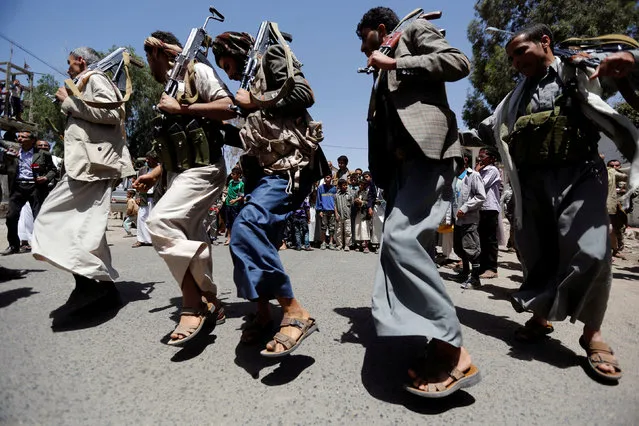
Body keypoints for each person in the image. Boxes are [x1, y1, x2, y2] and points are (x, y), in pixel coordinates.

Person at [475, 24, 639, 382]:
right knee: (538, 253)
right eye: (511, 58)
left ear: (544, 42)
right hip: (532, 182)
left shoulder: (578, 70)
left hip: (579, 174)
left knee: (592, 251)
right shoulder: (515, 95)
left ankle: (592, 333)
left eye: (521, 52)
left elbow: (625, 69)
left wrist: (630, 60)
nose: (516, 62)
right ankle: (540, 318)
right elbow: (489, 127)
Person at [357, 6, 479, 398]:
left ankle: (453, 351)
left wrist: (395, 61)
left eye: (363, 39)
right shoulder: (382, 63)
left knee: (400, 241)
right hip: (401, 170)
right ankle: (429, 334)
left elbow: (458, 62)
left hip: (429, 156)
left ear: (380, 29)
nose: (362, 49)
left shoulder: (412, 31)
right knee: (408, 250)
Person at [213, 27, 328, 356]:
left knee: (246, 229)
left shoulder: (272, 58)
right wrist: (218, 127)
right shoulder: (247, 86)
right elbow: (256, 133)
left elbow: (305, 94)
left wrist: (255, 100)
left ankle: (295, 312)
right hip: (265, 173)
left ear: (236, 53)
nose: (228, 73)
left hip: (291, 166)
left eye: (227, 64)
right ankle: (263, 313)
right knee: (250, 238)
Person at [137, 30, 235, 346]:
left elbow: (228, 107)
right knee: (192, 238)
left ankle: (192, 302)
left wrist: (182, 109)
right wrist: (157, 171)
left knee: (159, 222)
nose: (147, 62)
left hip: (205, 169)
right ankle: (210, 300)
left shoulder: (198, 72)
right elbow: (178, 140)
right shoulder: (170, 87)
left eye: (149, 55)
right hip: (179, 173)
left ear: (158, 54)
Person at [31, 47, 135, 316]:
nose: (66, 69)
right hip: (85, 166)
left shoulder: (96, 77)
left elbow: (114, 114)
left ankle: (92, 286)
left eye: (69, 63)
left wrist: (69, 102)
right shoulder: (85, 81)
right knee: (89, 229)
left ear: (80, 60)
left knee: (52, 218)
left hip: (93, 166)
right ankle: (100, 288)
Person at [2, 131, 57, 255]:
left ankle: (42, 246)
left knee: (38, 218)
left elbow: (53, 170)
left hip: (35, 187)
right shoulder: (13, 152)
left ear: (32, 140)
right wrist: (7, 156)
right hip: (17, 187)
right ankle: (13, 245)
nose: (19, 139)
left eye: (23, 137)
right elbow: (6, 166)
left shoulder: (42, 154)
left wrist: (46, 178)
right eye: (19, 137)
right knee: (11, 217)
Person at [453, 151, 486, 289]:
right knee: (459, 248)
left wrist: (465, 208)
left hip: (469, 219)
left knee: (471, 248)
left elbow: (480, 196)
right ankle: (465, 272)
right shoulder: (456, 178)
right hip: (457, 220)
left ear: (464, 160)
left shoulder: (473, 176)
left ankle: (475, 279)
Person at [475, 147, 501, 279]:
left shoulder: (492, 170)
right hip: (481, 208)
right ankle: (483, 266)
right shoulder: (481, 171)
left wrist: (476, 172)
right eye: (479, 155)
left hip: (490, 208)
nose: (480, 158)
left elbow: (480, 186)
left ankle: (492, 268)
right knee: (481, 239)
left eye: (483, 156)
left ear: (491, 158)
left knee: (490, 239)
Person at [132, 151, 160, 248]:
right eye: (146, 158)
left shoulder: (161, 170)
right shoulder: (142, 170)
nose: (146, 160)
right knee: (141, 218)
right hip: (144, 197)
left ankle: (154, 240)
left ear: (155, 159)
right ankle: (140, 240)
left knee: (154, 219)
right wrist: (137, 196)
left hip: (157, 198)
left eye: (149, 158)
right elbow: (137, 185)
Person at [606, 159, 628, 259]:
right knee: (609, 229)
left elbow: (632, 191)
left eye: (617, 165)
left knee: (619, 228)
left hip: (621, 207)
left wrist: (622, 191)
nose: (614, 167)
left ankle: (617, 250)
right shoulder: (606, 174)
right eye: (612, 165)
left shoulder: (623, 176)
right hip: (609, 206)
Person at [223, 166, 244, 245]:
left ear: (238, 175)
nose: (232, 175)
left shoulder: (241, 184)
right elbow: (228, 191)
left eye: (234, 174)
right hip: (228, 204)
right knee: (228, 222)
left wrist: (235, 200)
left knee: (235, 222)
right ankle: (229, 238)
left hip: (235, 205)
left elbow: (241, 196)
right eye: (232, 173)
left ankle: (237, 238)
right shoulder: (230, 182)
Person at [316, 174, 337, 250]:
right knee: (323, 227)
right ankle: (323, 242)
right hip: (324, 210)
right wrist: (320, 210)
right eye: (325, 177)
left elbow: (335, 201)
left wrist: (336, 211)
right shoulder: (320, 188)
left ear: (331, 178)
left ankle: (331, 242)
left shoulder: (334, 188)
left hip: (332, 211)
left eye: (328, 177)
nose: (327, 179)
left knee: (332, 228)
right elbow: (318, 199)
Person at [334, 178, 353, 251]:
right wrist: (336, 214)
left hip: (347, 216)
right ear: (339, 186)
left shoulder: (349, 194)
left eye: (346, 185)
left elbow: (352, 204)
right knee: (339, 231)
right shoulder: (336, 195)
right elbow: (335, 205)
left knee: (348, 231)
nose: (345, 186)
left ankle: (347, 245)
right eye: (344, 185)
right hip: (339, 216)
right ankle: (339, 245)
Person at [353, 176, 371, 253]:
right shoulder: (356, 193)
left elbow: (368, 203)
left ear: (364, 185)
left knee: (364, 229)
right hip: (358, 212)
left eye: (362, 185)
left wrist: (362, 202)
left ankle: (366, 246)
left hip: (364, 214)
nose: (360, 186)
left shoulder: (367, 193)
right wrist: (355, 201)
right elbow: (353, 202)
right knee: (358, 228)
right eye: (359, 184)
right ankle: (360, 245)